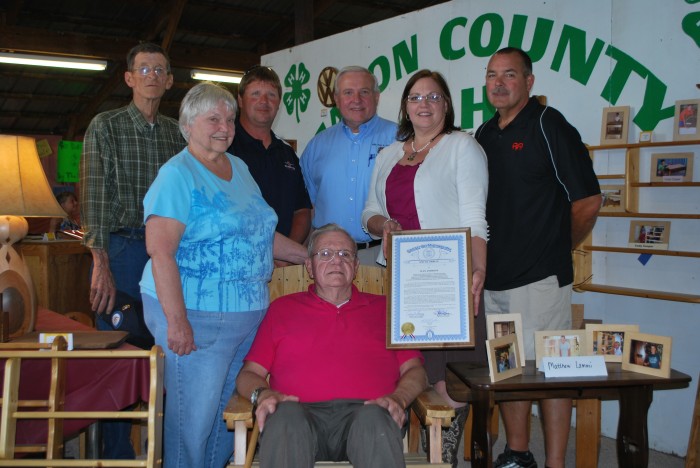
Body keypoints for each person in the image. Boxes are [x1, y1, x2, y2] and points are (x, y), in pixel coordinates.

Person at [140, 82, 307, 468]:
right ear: (187, 125)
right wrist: (177, 322)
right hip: (196, 315)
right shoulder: (177, 175)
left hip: (245, 318)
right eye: (213, 118)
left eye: (229, 118)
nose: (225, 127)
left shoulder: (240, 167)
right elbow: (160, 251)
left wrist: (307, 257)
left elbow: (259, 234)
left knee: (226, 418)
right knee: (191, 423)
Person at [475, 47, 601, 468]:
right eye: (492, 75)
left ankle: (555, 463)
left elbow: (587, 201)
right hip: (494, 278)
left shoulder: (550, 124)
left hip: (541, 280)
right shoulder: (484, 134)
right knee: (508, 370)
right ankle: (517, 453)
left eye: (509, 75)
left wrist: (553, 248)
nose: (498, 82)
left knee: (551, 373)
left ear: (529, 82)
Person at [362, 69, 488, 466]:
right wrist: (384, 225)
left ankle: (444, 455)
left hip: (449, 277)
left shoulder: (461, 146)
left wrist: (476, 272)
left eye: (433, 97)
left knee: (450, 377)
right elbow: (369, 212)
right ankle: (398, 452)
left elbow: (475, 217)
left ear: (446, 105)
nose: (424, 104)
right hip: (401, 279)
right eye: (416, 97)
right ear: (404, 106)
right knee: (405, 368)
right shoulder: (387, 154)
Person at [235, 223, 427, 468]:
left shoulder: (386, 309)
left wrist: (399, 399)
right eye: (325, 254)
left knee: (375, 419)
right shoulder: (282, 310)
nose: (336, 261)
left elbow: (416, 371)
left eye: (345, 254)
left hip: (367, 415)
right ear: (309, 267)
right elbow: (249, 374)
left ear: (356, 266)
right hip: (298, 415)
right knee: (284, 416)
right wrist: (264, 395)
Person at [79, 42, 185, 459]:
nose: (153, 76)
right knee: (119, 352)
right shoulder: (105, 126)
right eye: (144, 69)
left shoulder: (179, 132)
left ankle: (163, 449)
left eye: (160, 70)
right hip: (121, 251)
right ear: (129, 78)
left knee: (168, 348)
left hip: (169, 255)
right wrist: (99, 261)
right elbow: (93, 197)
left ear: (170, 80)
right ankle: (117, 454)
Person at [301, 66, 397, 264]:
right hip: (327, 257)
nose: (356, 100)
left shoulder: (400, 139)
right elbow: (306, 207)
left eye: (364, 92)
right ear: (336, 99)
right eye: (348, 93)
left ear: (377, 97)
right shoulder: (316, 145)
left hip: (381, 255)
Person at [227, 65, 312, 257]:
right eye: (255, 94)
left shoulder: (287, 154)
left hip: (283, 266)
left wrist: (286, 251)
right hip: (238, 260)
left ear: (279, 103)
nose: (264, 101)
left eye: (271, 95)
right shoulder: (226, 148)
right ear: (240, 100)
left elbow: (302, 211)